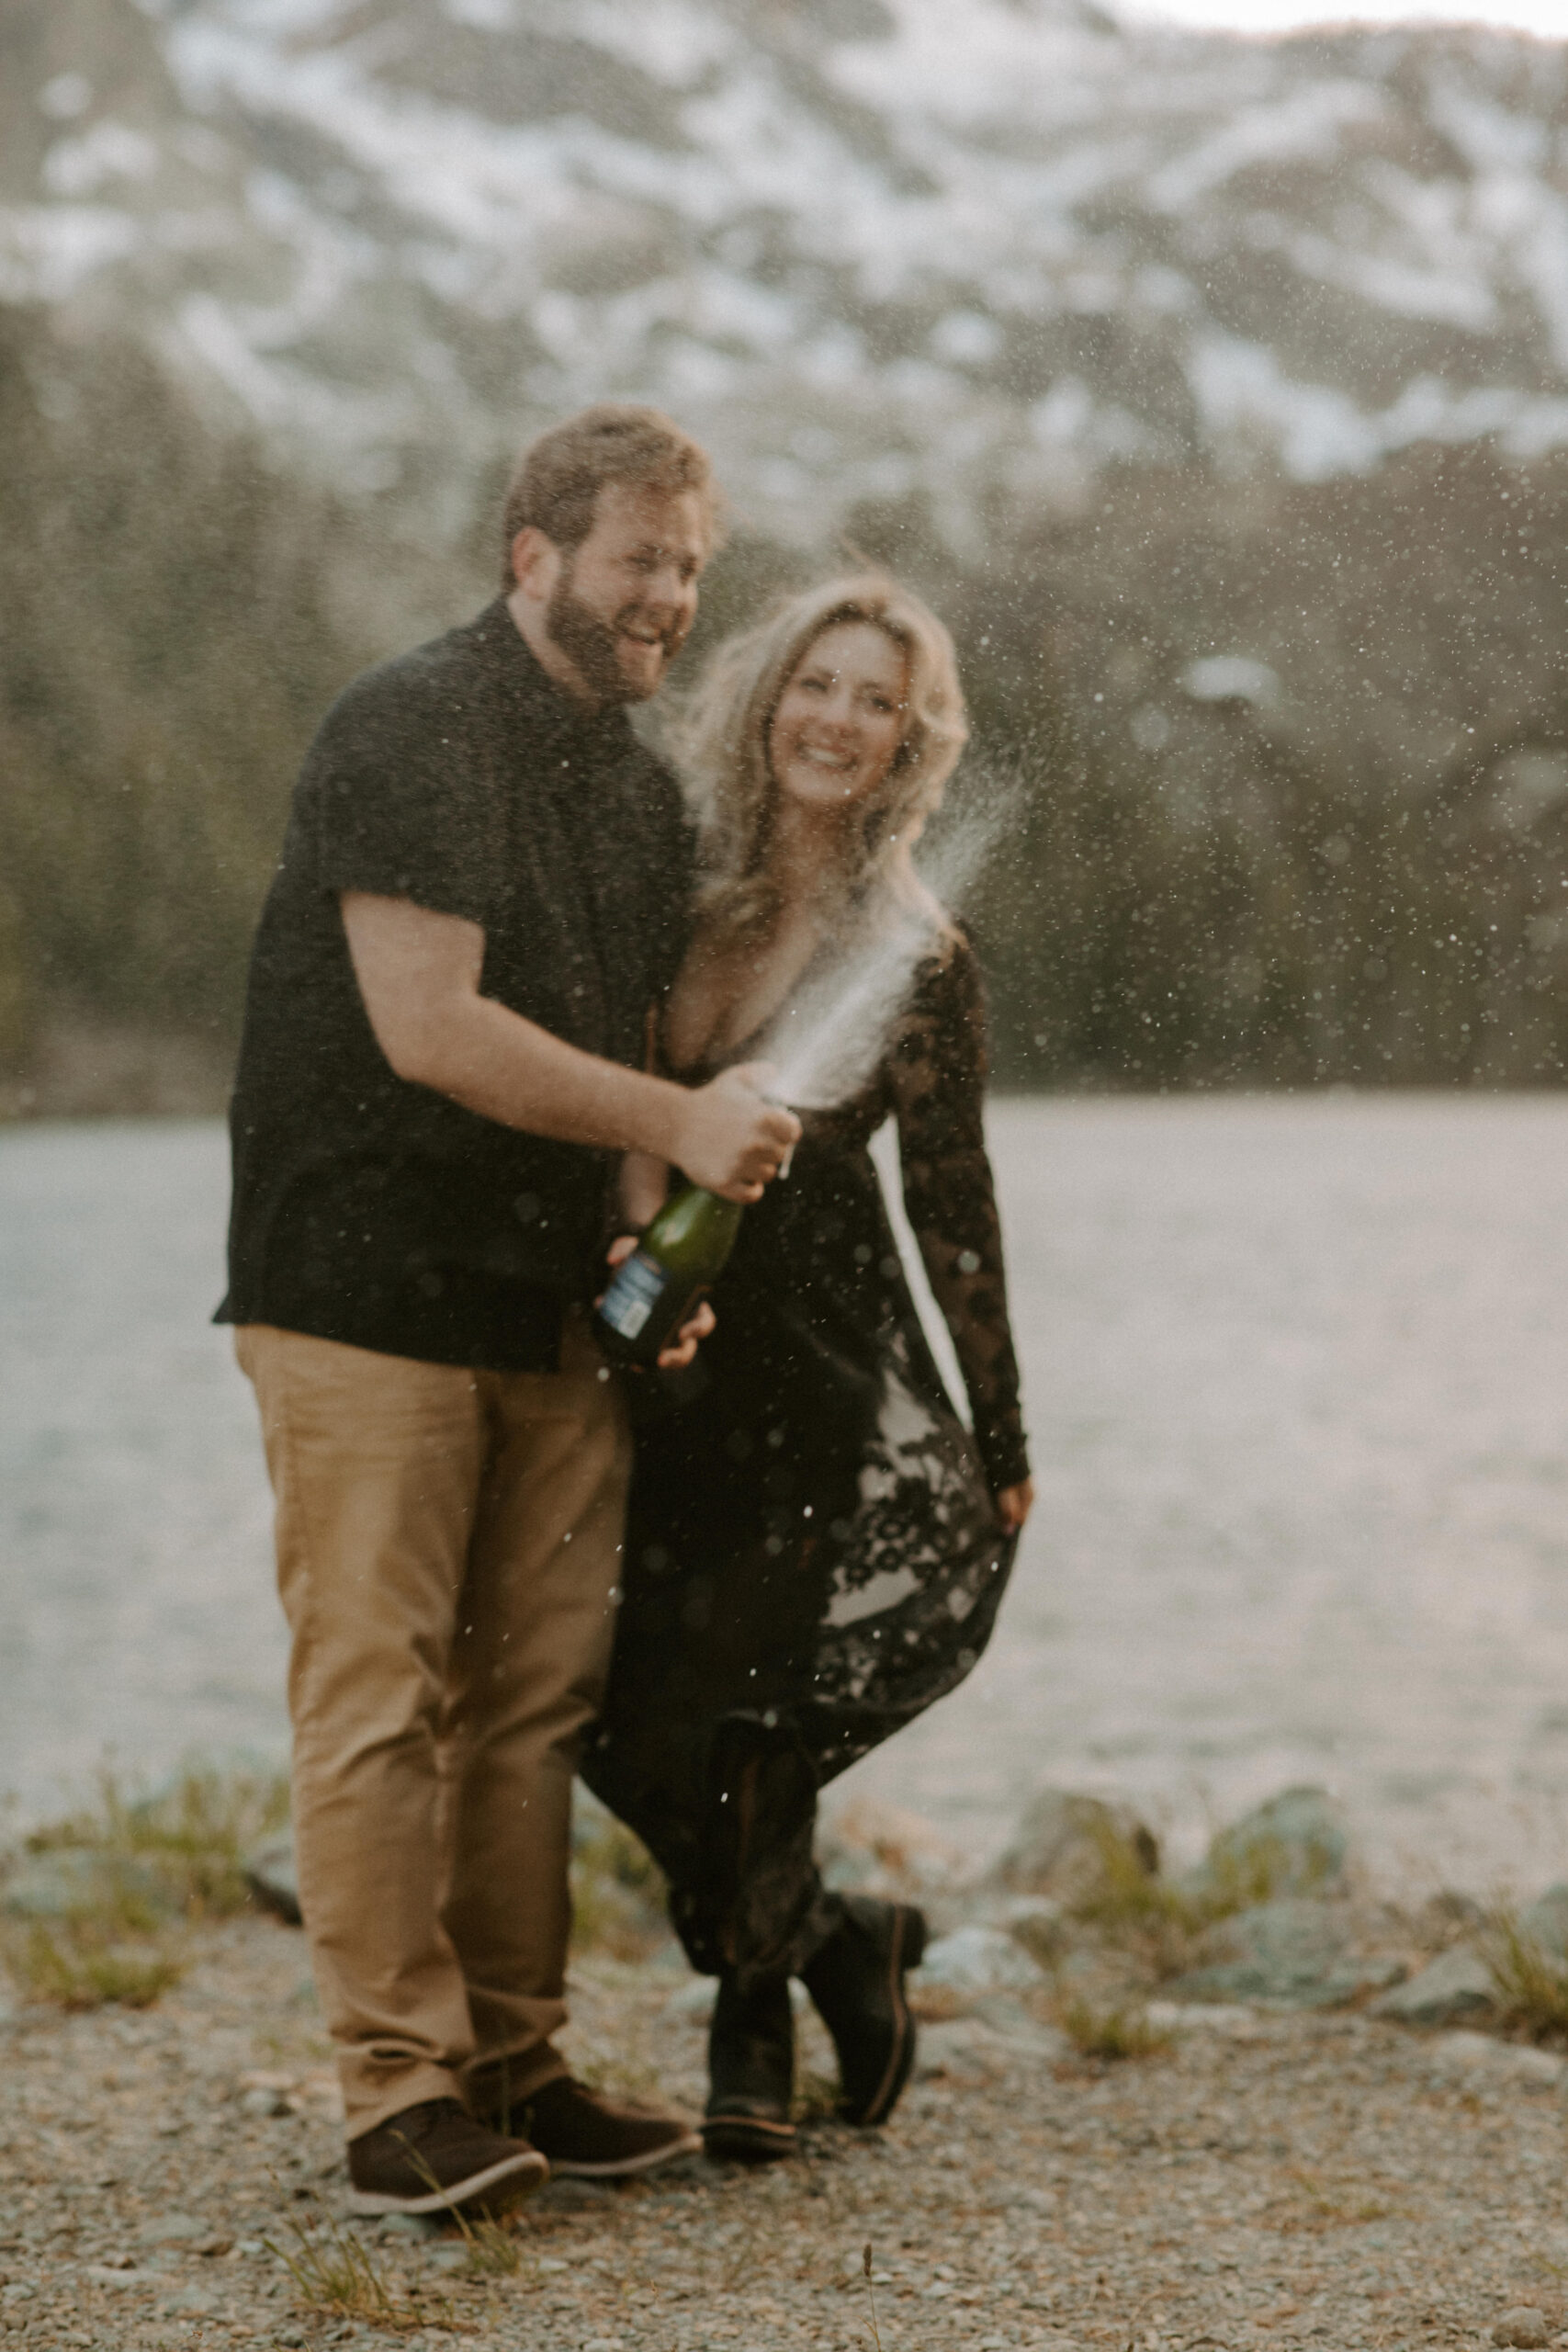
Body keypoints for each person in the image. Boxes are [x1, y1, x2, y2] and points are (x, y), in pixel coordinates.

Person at [218, 404, 800, 2215]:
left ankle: (514, 2060)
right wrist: (676, 1124)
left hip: (551, 1304)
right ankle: (394, 2092)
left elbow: (623, 1047)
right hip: (360, 1291)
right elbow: (432, 1026)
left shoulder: (633, 787)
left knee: (529, 1700)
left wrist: (651, 1248)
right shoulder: (405, 725)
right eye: (638, 557)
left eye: (690, 567)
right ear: (530, 552)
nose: (667, 598)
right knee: (380, 1696)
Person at [581, 574, 1033, 2162]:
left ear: (908, 742)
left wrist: (1002, 1423)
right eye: (819, 685)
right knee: (614, 1710)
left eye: (877, 702)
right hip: (660, 1362)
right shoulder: (660, 886)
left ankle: (750, 2016)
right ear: (769, 695)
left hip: (820, 1373)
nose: (839, 720)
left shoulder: (914, 950)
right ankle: (844, 1945)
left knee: (757, 1704)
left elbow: (954, 1200)